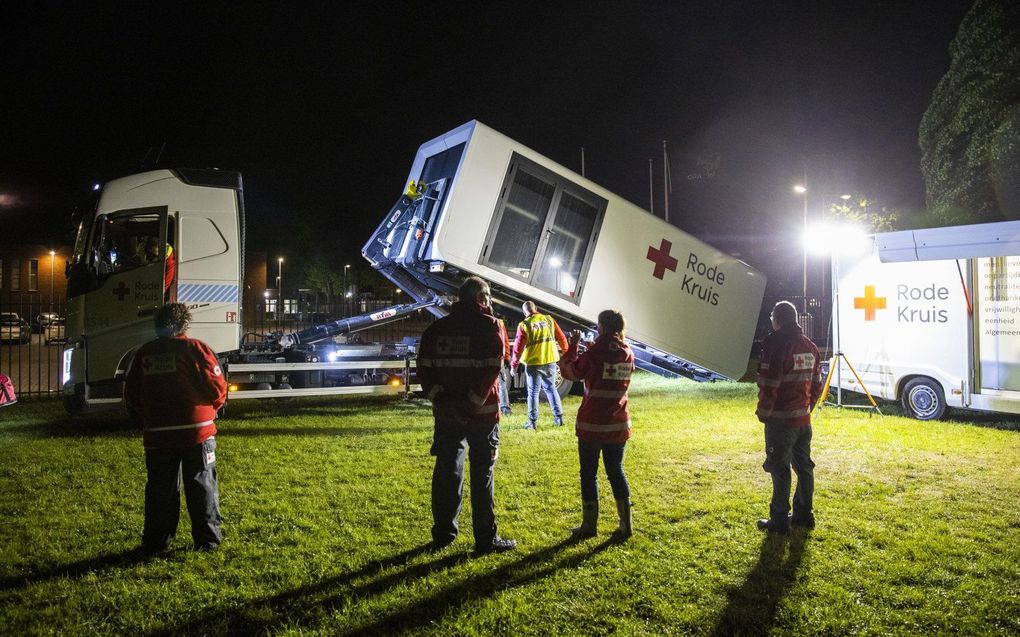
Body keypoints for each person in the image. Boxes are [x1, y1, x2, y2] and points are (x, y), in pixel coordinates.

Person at [417, 276, 517, 554]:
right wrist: (471, 405)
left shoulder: (437, 329)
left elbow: (424, 369)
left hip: (447, 416)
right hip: (483, 416)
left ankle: (444, 533)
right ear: (482, 299)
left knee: (447, 471)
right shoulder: (492, 327)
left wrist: (444, 402)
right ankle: (485, 539)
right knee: (483, 473)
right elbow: (493, 368)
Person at [125, 303, 227, 552]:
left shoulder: (144, 353)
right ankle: (208, 540)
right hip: (197, 431)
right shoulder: (194, 348)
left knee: (160, 489)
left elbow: (132, 392)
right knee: (201, 484)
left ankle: (157, 542)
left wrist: (148, 417)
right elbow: (217, 386)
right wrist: (213, 408)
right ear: (184, 324)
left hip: (158, 434)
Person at [559, 310, 635, 540]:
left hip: (592, 425)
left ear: (601, 327)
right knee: (616, 472)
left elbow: (569, 371)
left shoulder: (594, 352)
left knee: (589, 475)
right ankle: (625, 525)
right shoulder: (628, 352)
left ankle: (589, 526)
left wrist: (573, 346)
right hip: (618, 424)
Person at [755, 300, 823, 534]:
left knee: (779, 469)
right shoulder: (810, 346)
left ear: (777, 318)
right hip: (803, 421)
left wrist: (764, 412)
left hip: (781, 423)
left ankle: (779, 519)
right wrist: (806, 409)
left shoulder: (775, 344)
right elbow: (816, 385)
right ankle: (804, 515)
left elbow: (768, 383)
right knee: (804, 467)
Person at [511, 301, 569, 430]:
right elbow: (562, 338)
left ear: (524, 312)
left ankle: (532, 422)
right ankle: (559, 418)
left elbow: (517, 348)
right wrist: (566, 353)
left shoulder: (524, 325)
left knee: (533, 392)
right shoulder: (548, 319)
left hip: (533, 363)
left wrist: (513, 365)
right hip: (550, 360)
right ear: (536, 309)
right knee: (551, 388)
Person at [496, 313, 512, 416]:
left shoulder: (479, 320)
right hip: (498, 358)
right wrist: (506, 356)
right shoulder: (499, 322)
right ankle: (505, 409)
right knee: (502, 384)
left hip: (485, 358)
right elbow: (505, 341)